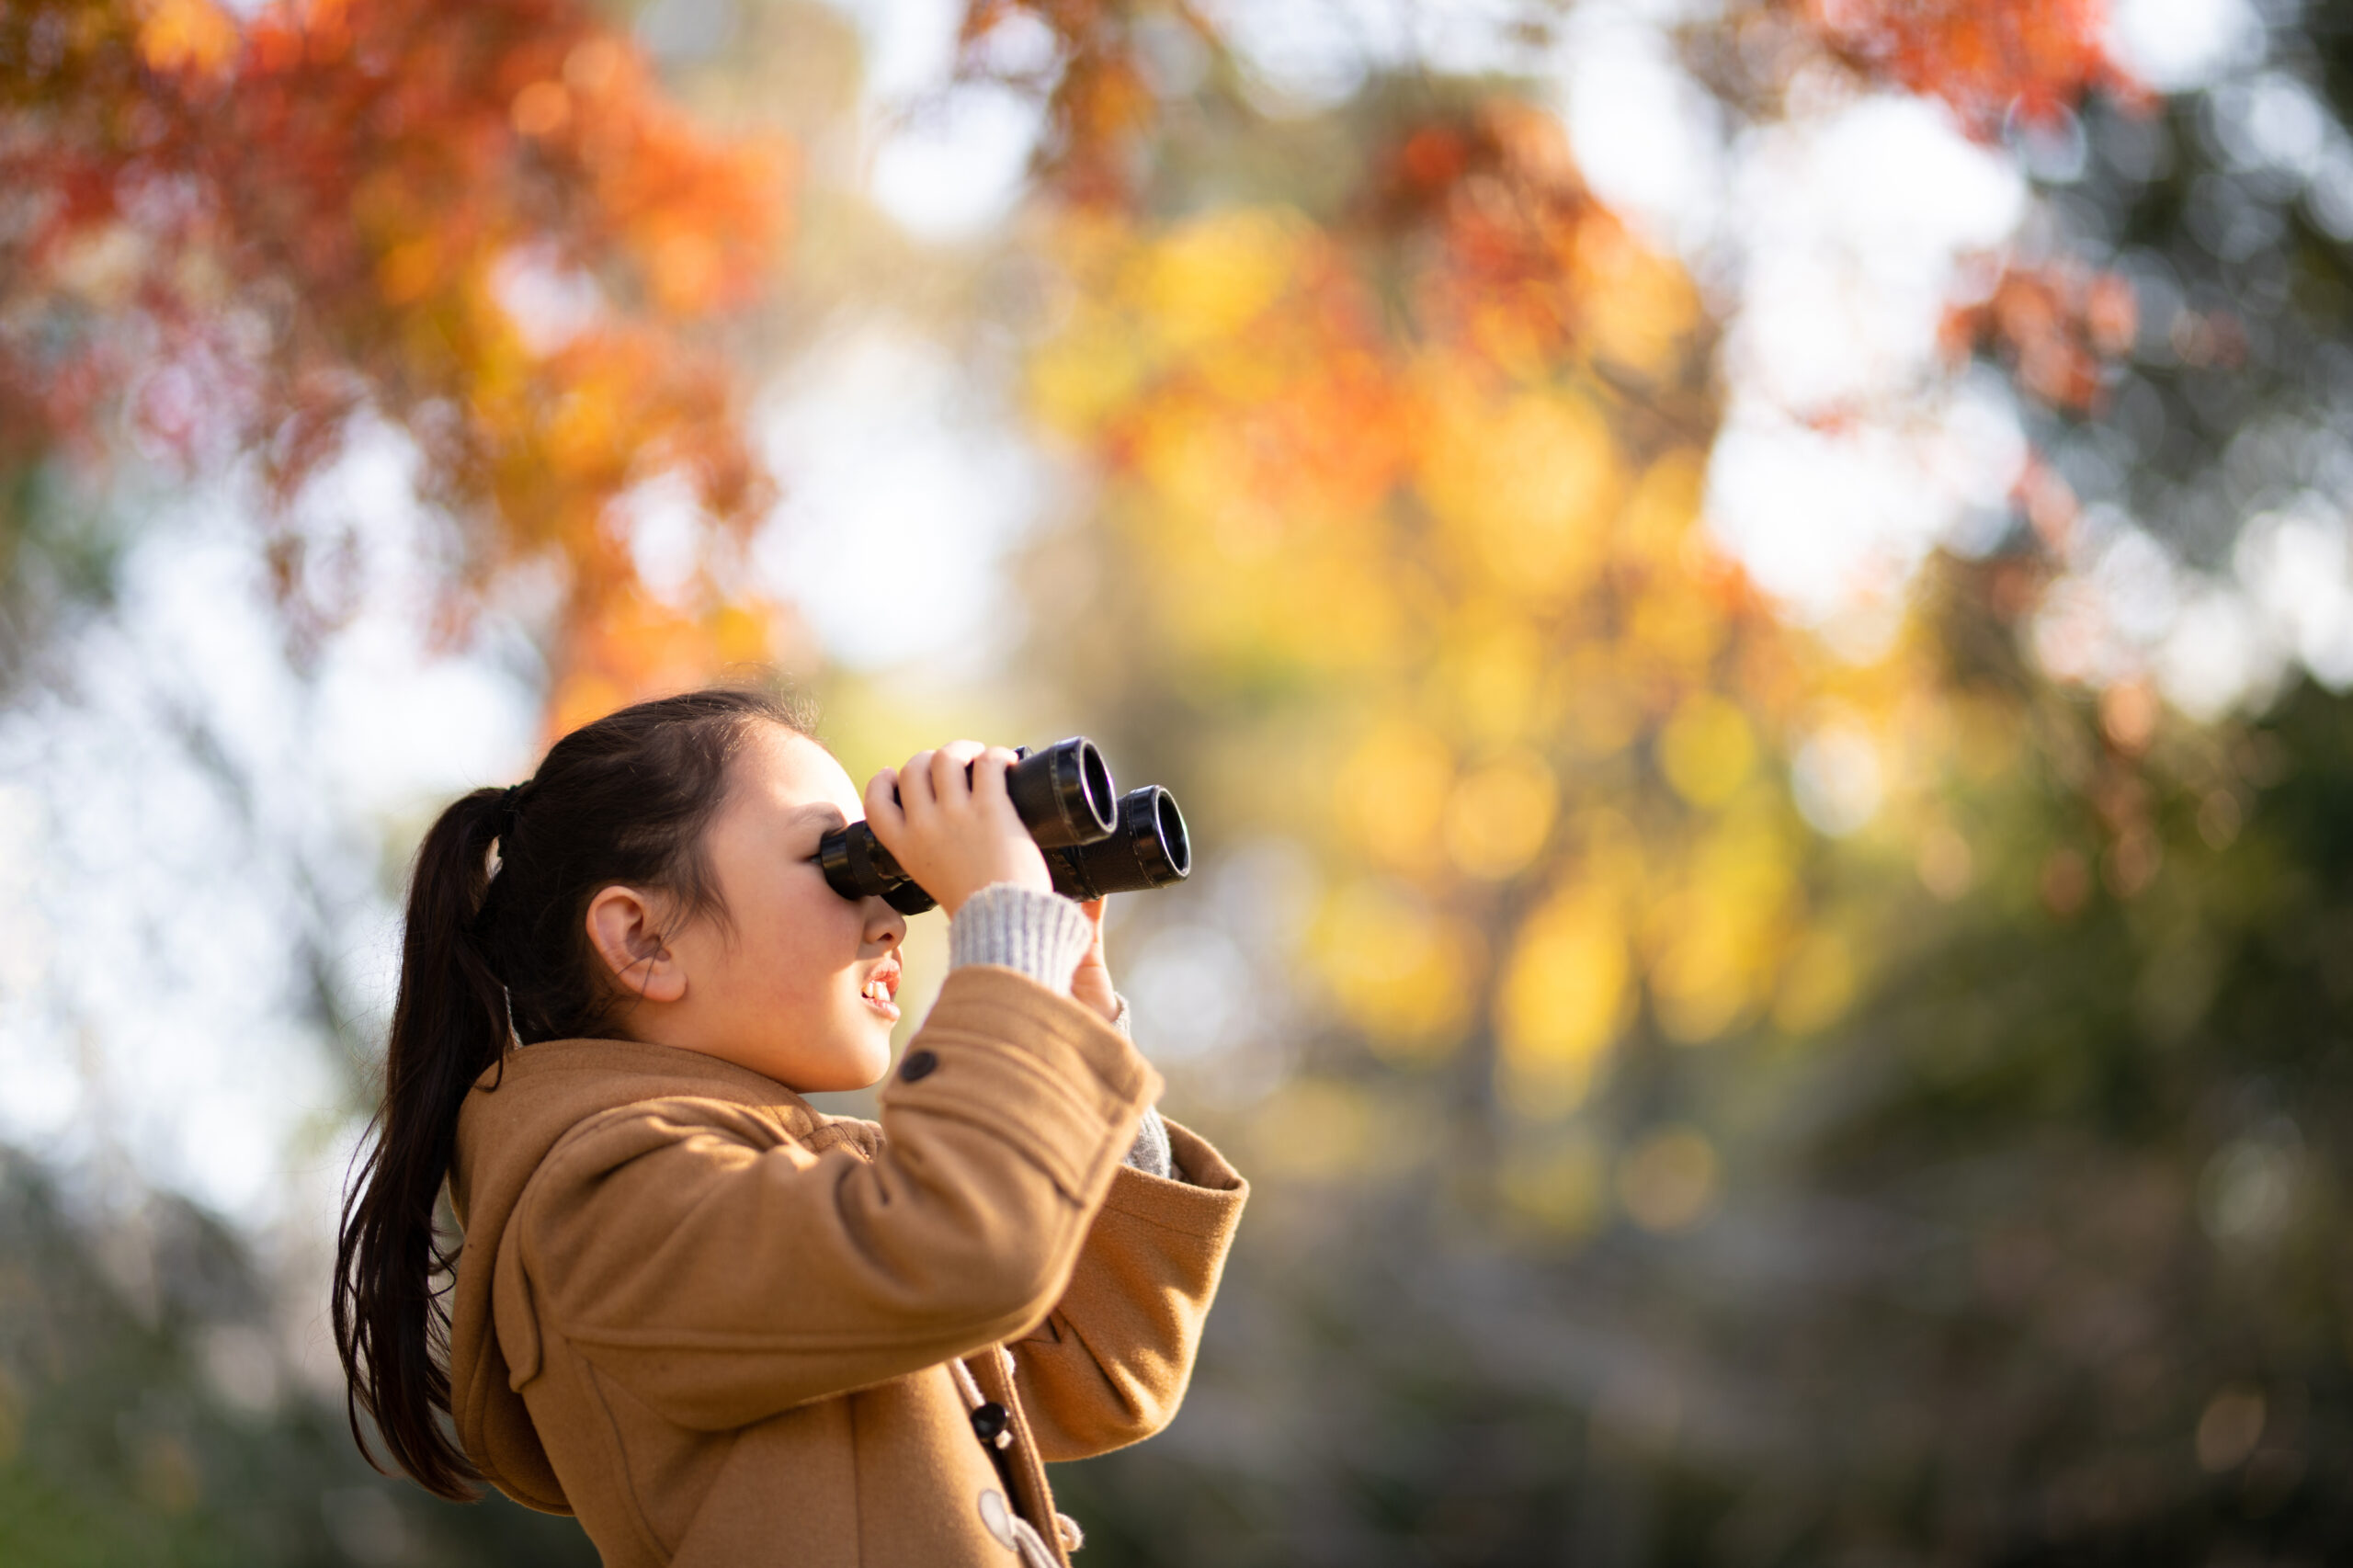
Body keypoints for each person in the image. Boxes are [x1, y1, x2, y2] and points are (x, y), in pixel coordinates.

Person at [333, 687, 1247, 1567]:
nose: (892, 918)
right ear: (643, 939)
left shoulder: (792, 1186)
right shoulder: (600, 1201)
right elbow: (970, 1245)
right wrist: (1002, 934)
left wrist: (1073, 1009)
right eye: (838, 863)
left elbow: (1101, 1363)